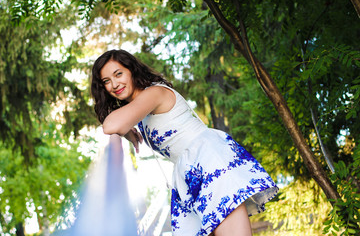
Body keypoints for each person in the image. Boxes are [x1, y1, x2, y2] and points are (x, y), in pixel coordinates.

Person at [91, 49, 279, 236]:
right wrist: (126, 132)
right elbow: (118, 124)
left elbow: (111, 125)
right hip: (192, 171)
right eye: (106, 81)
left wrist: (123, 128)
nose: (115, 84)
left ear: (132, 70)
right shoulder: (142, 111)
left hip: (209, 163)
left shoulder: (153, 93)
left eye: (118, 74)